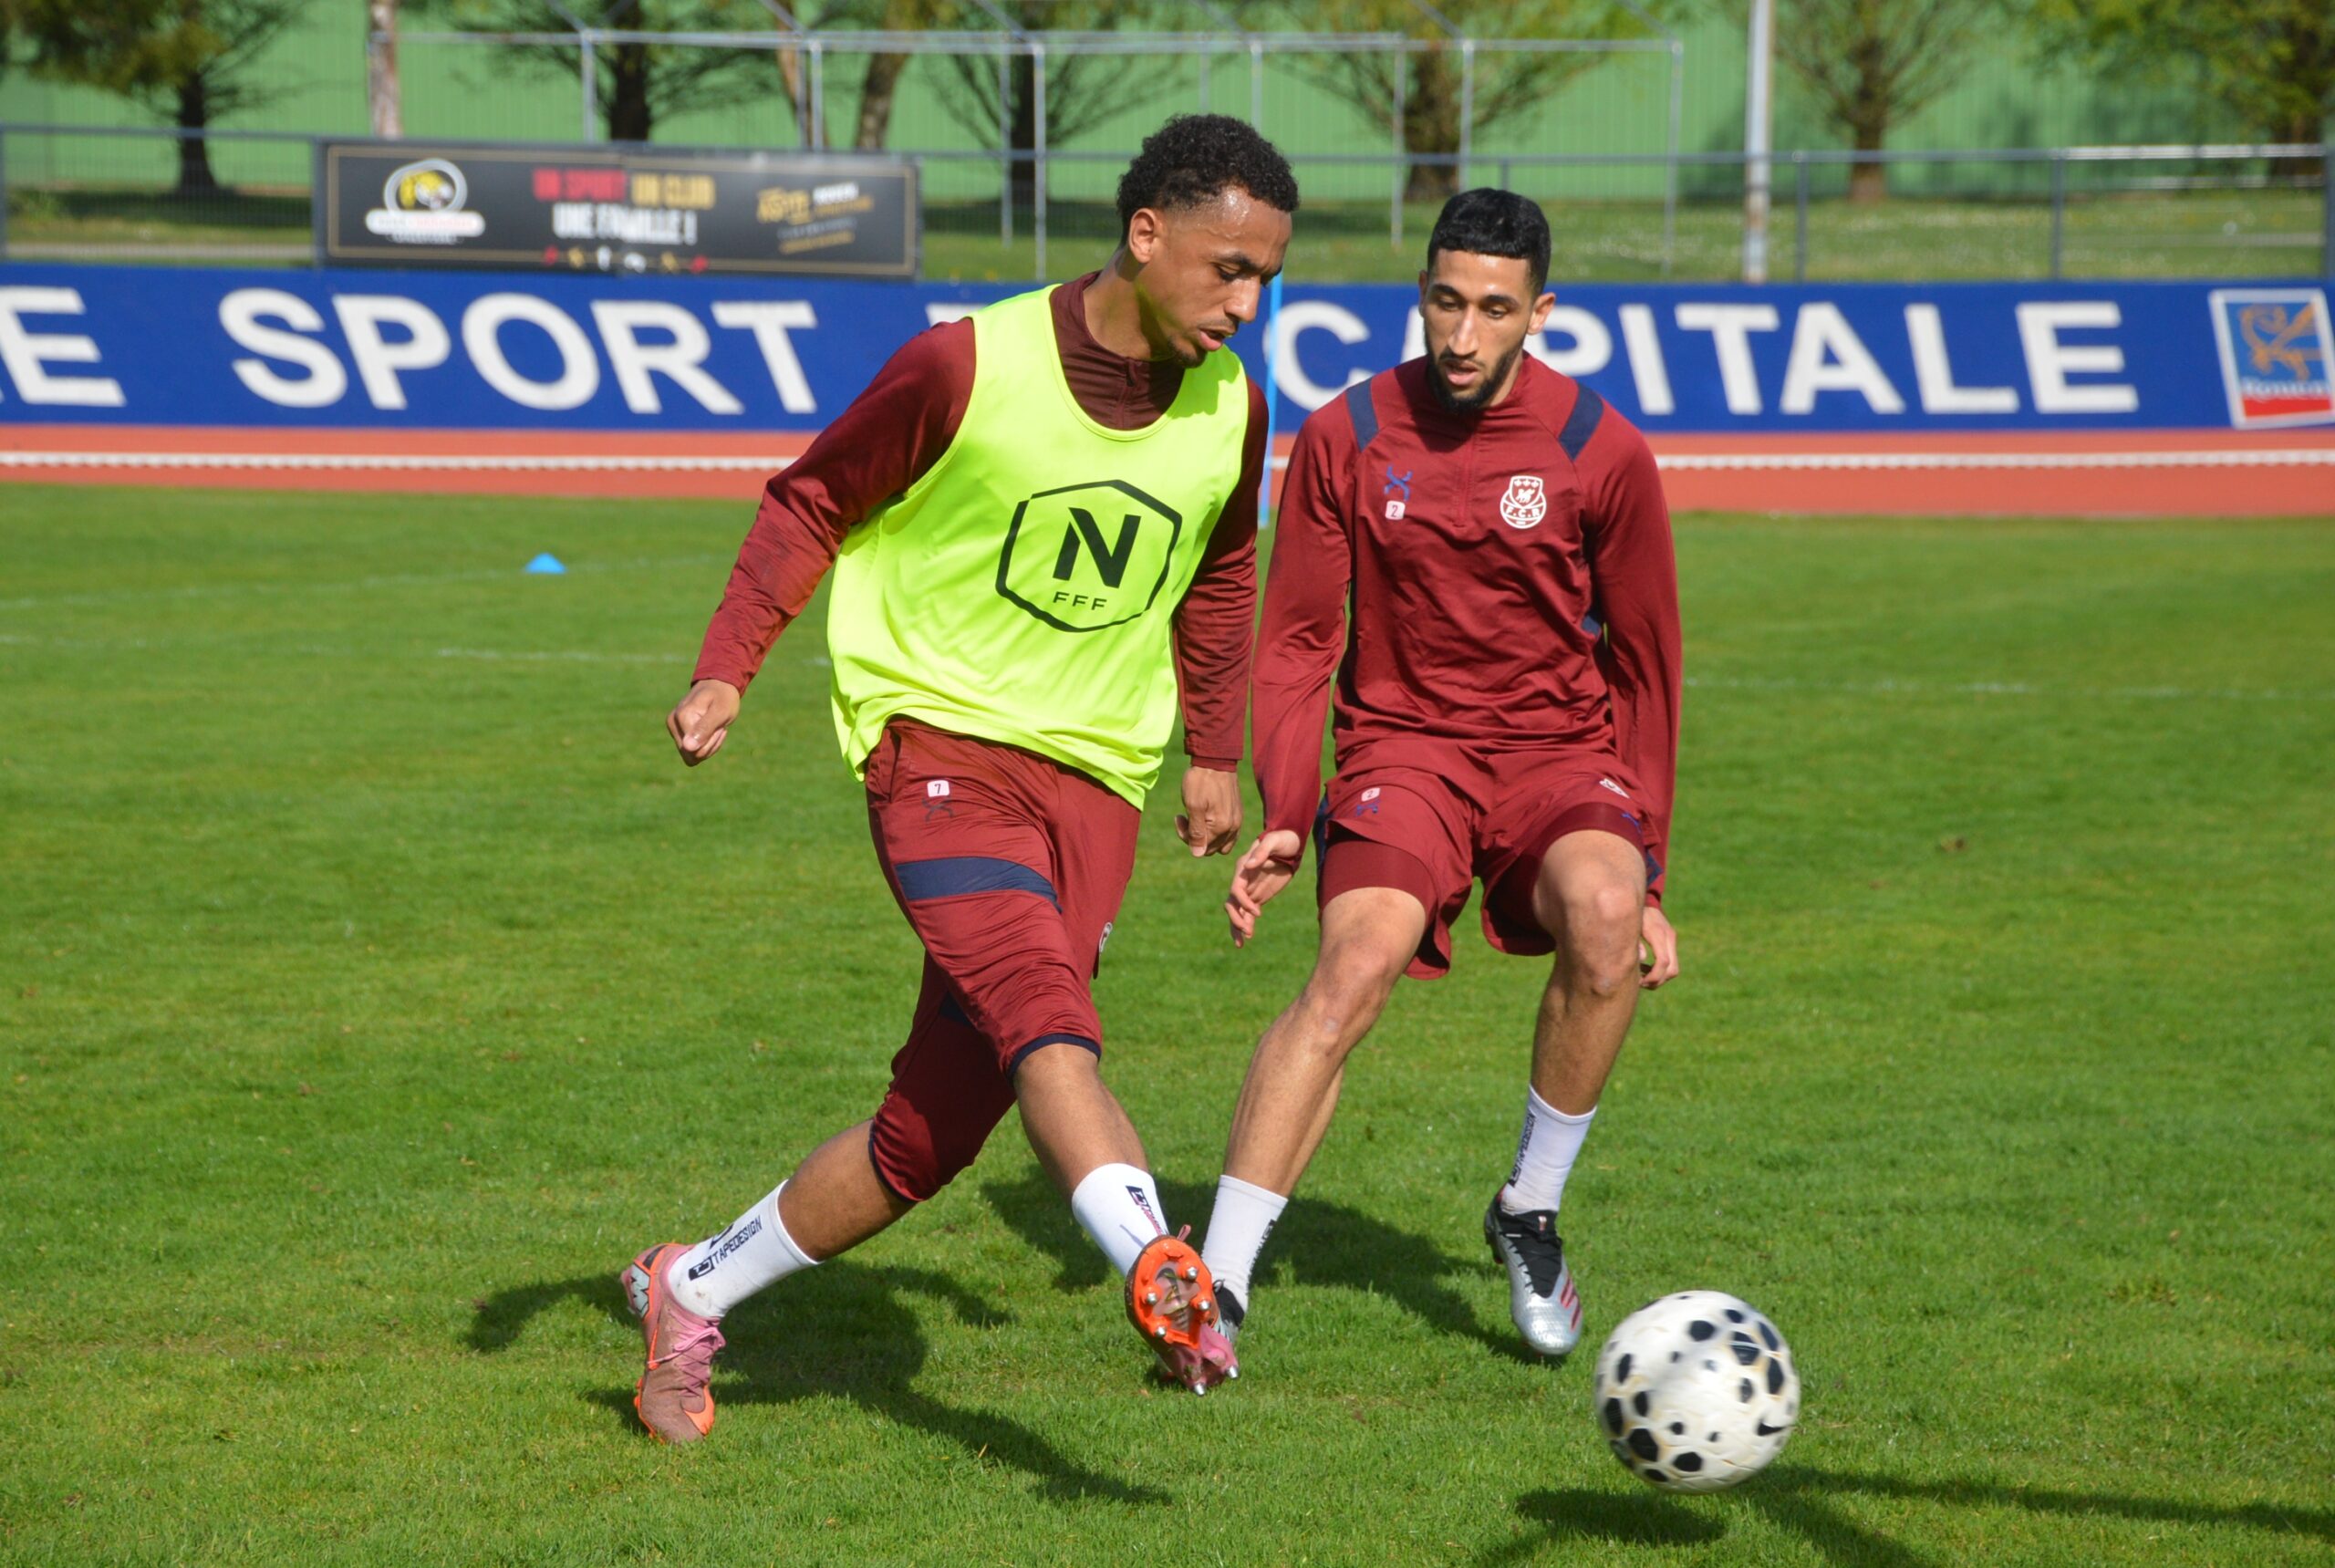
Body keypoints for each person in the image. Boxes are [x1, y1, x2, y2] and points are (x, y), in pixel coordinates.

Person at [622, 114, 1296, 1443]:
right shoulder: (964, 364)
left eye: (1266, 278)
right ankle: (1163, 1270)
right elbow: (813, 499)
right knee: (1045, 1012)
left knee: (932, 1134)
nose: (1246, 304)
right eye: (1228, 269)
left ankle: (687, 1290)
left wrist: (1215, 754)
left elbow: (1222, 578)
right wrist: (728, 667)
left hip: (1095, 783)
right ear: (1144, 234)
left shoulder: (1233, 406)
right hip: (936, 745)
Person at [1195, 189, 1681, 1376]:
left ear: (1540, 313)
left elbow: (1647, 666)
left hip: (1558, 756)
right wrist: (1286, 810)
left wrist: (1651, 872)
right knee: (1353, 968)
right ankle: (1214, 1286)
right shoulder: (1348, 433)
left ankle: (1529, 1211)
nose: (1464, 336)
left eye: (1495, 311)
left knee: (1604, 919)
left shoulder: (1601, 450)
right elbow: (1299, 638)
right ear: (1420, 293)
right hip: (1402, 750)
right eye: (1447, 303)